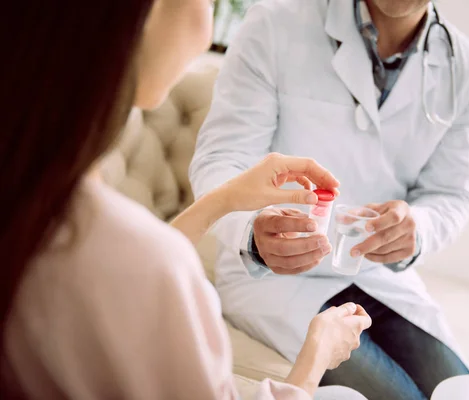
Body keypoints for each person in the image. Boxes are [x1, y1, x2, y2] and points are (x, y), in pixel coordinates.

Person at [0, 1, 372, 399]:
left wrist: (224, 199)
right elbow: (137, 269)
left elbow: (126, 271)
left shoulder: (31, 205)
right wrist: (317, 353)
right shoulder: (144, 261)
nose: (209, 19)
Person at [190, 0, 469, 399]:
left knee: (460, 391)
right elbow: (221, 160)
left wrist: (417, 228)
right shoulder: (277, 22)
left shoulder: (465, 67)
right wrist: (253, 230)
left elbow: (450, 194)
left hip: (376, 274)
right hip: (275, 278)